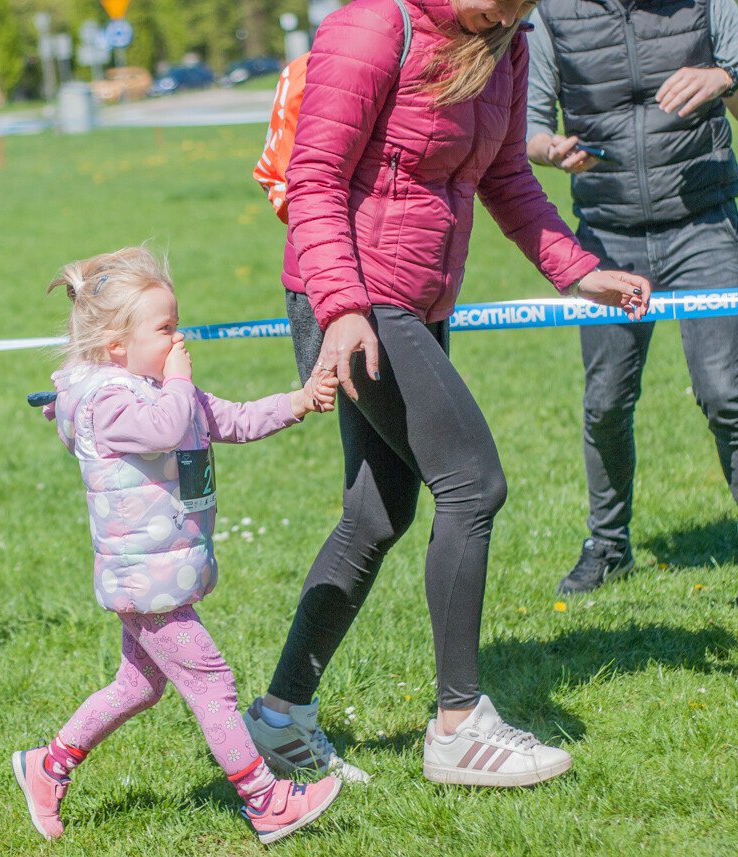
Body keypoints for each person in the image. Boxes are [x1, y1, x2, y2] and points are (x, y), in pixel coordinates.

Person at [241, 0, 652, 787]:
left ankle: (280, 716)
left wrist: (577, 268)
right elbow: (315, 176)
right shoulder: (371, 24)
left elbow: (504, 174)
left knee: (377, 511)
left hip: (416, 297)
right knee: (472, 481)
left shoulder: (506, 39)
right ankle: (460, 726)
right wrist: (343, 310)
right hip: (353, 297)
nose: (514, 11)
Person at [12, 247, 342, 844]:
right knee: (212, 681)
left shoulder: (154, 389)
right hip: (146, 577)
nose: (178, 338)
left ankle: (47, 765)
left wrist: (298, 401)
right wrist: (180, 379)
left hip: (157, 569)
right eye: (165, 328)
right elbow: (170, 424)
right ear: (116, 344)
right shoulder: (116, 402)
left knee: (139, 685)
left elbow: (230, 418)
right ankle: (266, 802)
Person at [525, 0, 738, 596]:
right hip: (607, 234)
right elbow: (529, 129)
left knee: (727, 395)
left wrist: (726, 78)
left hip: (705, 223)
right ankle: (608, 547)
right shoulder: (550, 14)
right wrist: (554, 151)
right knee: (607, 402)